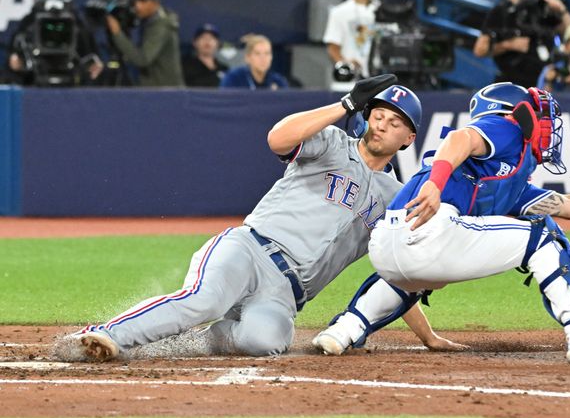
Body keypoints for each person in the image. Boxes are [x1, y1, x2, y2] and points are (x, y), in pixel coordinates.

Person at [59, 75, 464, 362]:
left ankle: (176, 343)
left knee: (263, 340)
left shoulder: (396, 198)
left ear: (409, 139)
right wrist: (343, 104)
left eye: (395, 122)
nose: (382, 123)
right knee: (205, 299)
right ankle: (104, 336)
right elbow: (278, 138)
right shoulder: (332, 142)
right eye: (378, 113)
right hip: (250, 248)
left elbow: (394, 271)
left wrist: (427, 336)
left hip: (286, 294)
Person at [313, 83, 570, 364]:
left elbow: (567, 205)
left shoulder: (507, 177)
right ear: (512, 112)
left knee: (410, 276)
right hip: (431, 230)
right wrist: (436, 183)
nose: (547, 124)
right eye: (539, 114)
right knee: (544, 235)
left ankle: (344, 330)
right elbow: (460, 139)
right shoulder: (505, 127)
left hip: (390, 246)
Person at [473, 0, 570, 86]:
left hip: (543, 82)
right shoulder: (499, 12)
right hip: (511, 82)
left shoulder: (540, 7)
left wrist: (562, 10)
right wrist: (508, 45)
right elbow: (479, 50)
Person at [5, 0, 102, 85]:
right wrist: (16, 62)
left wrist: (93, 66)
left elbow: (91, 55)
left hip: (72, 82)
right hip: (36, 81)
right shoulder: (29, 22)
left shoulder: (78, 22)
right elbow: (15, 56)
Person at [107, 0, 183, 87]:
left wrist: (117, 33)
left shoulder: (161, 26)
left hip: (165, 92)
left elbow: (143, 59)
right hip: (156, 90)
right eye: (136, 1)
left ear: (155, 3)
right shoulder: (147, 21)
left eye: (143, 1)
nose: (137, 6)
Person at [323, 0, 381, 79]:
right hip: (352, 81)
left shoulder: (383, 10)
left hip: (380, 77)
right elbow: (333, 47)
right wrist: (347, 66)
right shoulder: (339, 12)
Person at [220, 34, 288, 89]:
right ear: (248, 58)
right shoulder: (234, 78)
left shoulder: (278, 82)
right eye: (257, 54)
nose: (263, 59)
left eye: (267, 53)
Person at [182, 23, 229, 88]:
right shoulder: (185, 66)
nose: (207, 41)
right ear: (194, 42)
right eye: (203, 38)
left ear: (218, 43)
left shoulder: (224, 69)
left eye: (211, 38)